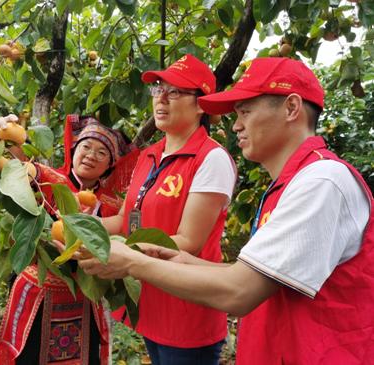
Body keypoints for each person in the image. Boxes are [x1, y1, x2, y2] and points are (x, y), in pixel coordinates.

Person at [77, 57, 374, 364]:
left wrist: (132, 260)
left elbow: (239, 292)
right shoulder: (290, 185)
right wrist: (184, 259)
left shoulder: (321, 182)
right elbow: (260, 277)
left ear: (291, 108)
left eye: (245, 111)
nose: (236, 125)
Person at [100, 54, 237, 365]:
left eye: (174, 92)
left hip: (186, 310)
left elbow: (190, 241)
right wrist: (78, 226)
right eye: (158, 89)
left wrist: (127, 256)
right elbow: (128, 219)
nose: (161, 99)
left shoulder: (210, 158)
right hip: (150, 302)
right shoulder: (149, 155)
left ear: (201, 104)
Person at [0, 114, 137, 365]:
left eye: (102, 153)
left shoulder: (113, 207)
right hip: (38, 295)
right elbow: (18, 166)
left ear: (111, 164)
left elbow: (130, 234)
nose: (91, 155)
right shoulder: (49, 180)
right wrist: (5, 133)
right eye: (86, 147)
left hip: (84, 298)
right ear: (74, 150)